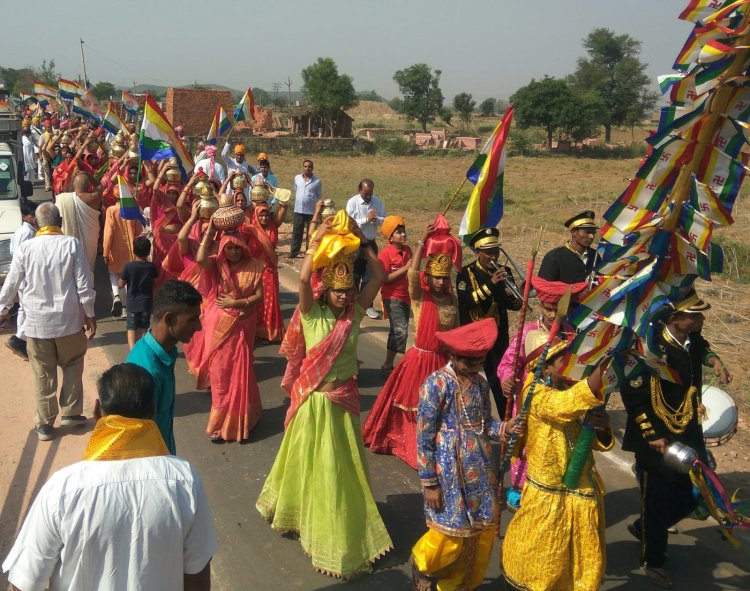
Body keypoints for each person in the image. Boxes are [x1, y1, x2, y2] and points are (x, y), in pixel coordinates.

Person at [257, 214, 392, 579]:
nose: (345, 296)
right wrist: (316, 241)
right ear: (326, 291)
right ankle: (303, 517)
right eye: (339, 291)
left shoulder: (356, 315)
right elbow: (302, 278)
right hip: (314, 403)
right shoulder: (312, 315)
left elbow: (378, 277)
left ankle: (337, 524)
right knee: (312, 466)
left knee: (339, 471)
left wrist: (364, 245)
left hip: (343, 406)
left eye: (349, 291)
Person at [2, 363, 216, 590]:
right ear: (153, 410)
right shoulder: (185, 480)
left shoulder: (62, 490)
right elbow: (198, 573)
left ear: (97, 411)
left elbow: (24, 581)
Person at [620, 292, 731, 589]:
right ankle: (653, 561)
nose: (701, 319)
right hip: (656, 437)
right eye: (695, 316)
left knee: (687, 496)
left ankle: (645, 528)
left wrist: (715, 360)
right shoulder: (649, 349)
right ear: (674, 320)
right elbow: (633, 394)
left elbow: (701, 350)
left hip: (687, 429)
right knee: (657, 499)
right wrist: (652, 434)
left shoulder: (692, 339)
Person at [411, 318, 522, 591]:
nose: (475, 368)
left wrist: (505, 428)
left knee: (479, 536)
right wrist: (429, 484)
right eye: (469, 363)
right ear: (453, 356)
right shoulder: (435, 385)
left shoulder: (481, 385)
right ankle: (422, 563)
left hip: (481, 471)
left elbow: (485, 425)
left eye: (480, 362)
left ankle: (460, 586)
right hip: (447, 476)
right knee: (450, 536)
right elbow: (424, 438)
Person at [502, 330, 613, 591]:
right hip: (547, 489)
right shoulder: (535, 393)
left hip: (580, 487)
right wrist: (608, 360)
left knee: (576, 563)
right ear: (546, 367)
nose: (570, 362)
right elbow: (564, 406)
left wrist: (602, 427)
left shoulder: (567, 386)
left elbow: (592, 440)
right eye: (562, 359)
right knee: (538, 561)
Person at [363, 218, 461, 469]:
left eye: (444, 278)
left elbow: (456, 333)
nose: (440, 282)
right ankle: (412, 445)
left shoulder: (452, 300)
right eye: (436, 278)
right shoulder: (420, 296)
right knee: (413, 407)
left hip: (443, 364)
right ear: (429, 277)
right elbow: (412, 273)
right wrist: (421, 243)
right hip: (420, 360)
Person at [0, 202, 96, 441]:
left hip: (36, 324)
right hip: (70, 321)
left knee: (43, 373)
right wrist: (90, 313)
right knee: (73, 363)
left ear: (36, 223)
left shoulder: (25, 249)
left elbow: (11, 282)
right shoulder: (71, 244)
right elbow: (84, 283)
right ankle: (71, 413)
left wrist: (2, 308)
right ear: (60, 222)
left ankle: (44, 424)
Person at [496, 275, 587, 507]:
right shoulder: (527, 332)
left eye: (556, 309)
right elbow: (508, 364)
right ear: (540, 306)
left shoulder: (571, 335)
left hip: (561, 400)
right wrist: (508, 380)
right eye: (547, 308)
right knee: (527, 446)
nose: (550, 314)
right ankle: (519, 488)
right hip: (530, 400)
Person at [195, 221, 265, 442]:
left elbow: (259, 296)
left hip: (243, 324)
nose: (234, 252)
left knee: (240, 371)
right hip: (218, 326)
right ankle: (219, 422)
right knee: (220, 374)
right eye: (229, 247)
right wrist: (209, 234)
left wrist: (238, 302)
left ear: (244, 248)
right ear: (223, 248)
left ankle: (240, 420)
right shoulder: (216, 264)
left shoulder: (254, 265)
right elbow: (199, 259)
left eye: (237, 247)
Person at [127, 280, 203, 455]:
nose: (198, 327)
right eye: (192, 319)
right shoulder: (145, 372)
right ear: (169, 319)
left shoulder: (163, 354)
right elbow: (141, 442)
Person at [456, 227, 522, 417]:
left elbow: (515, 306)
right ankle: (471, 420)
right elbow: (466, 302)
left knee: (499, 379)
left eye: (495, 252)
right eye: (488, 253)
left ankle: (505, 422)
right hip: (474, 336)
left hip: (498, 335)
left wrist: (516, 295)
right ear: (478, 252)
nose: (493, 257)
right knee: (469, 378)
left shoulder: (505, 271)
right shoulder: (466, 273)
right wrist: (491, 284)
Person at [345, 178, 387, 319]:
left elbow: (385, 219)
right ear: (359, 191)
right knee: (355, 274)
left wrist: (377, 220)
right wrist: (366, 220)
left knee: (370, 275)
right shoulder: (352, 202)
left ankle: (367, 305)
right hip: (355, 243)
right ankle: (352, 302)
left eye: (370, 194)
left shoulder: (377, 202)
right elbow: (349, 224)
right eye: (365, 194)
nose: (368, 197)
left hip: (370, 243)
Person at [376, 214, 412, 372]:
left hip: (407, 298)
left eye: (403, 231)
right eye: (398, 232)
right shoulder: (385, 254)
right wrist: (405, 269)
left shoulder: (408, 250)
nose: (403, 234)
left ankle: (388, 363)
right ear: (390, 238)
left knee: (398, 330)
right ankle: (390, 363)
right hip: (392, 297)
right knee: (400, 330)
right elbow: (384, 278)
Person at [248, 201, 287, 343]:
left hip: (270, 270)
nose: (264, 218)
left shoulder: (273, 227)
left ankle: (271, 333)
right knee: (258, 303)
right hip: (257, 271)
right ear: (256, 217)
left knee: (270, 301)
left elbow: (282, 213)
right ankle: (257, 331)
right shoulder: (250, 230)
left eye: (266, 215)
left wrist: (283, 204)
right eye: (261, 216)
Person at [6, 201, 38, 359]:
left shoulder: (20, 231)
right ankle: (19, 339)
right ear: (25, 217)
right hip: (26, 275)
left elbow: (13, 251)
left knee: (24, 309)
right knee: (30, 309)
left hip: (21, 274)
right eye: (33, 215)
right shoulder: (28, 233)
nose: (35, 218)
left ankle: (22, 341)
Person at [103, 198, 144, 318]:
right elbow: (139, 231)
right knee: (128, 278)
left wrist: (106, 251)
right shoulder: (133, 209)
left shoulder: (111, 210)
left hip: (115, 248)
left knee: (114, 274)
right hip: (131, 249)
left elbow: (109, 232)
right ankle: (125, 307)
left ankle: (116, 296)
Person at [56, 171, 103, 274]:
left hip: (68, 240)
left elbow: (68, 193)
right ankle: (87, 283)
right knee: (87, 264)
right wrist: (89, 174)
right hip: (90, 239)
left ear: (73, 185)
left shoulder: (62, 199)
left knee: (70, 267)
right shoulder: (94, 197)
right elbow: (99, 185)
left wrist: (73, 177)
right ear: (88, 185)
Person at [538, 210, 599, 284]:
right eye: (587, 232)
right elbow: (544, 288)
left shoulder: (595, 256)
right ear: (573, 232)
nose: (591, 236)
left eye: (593, 233)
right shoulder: (555, 256)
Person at [120, 236, 159, 349]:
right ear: (148, 251)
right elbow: (156, 284)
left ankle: (132, 349)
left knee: (131, 327)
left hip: (132, 303)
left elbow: (121, 284)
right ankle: (143, 348)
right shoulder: (151, 267)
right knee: (144, 328)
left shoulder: (128, 266)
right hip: (146, 303)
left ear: (134, 251)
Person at [290, 159, 322, 258]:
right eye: (305, 166)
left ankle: (309, 253)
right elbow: (296, 190)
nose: (307, 168)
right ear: (303, 167)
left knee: (311, 233)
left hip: (311, 211)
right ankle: (294, 253)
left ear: (312, 168)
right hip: (298, 210)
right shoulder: (297, 178)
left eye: (309, 167)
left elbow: (318, 195)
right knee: (297, 232)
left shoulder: (317, 181)